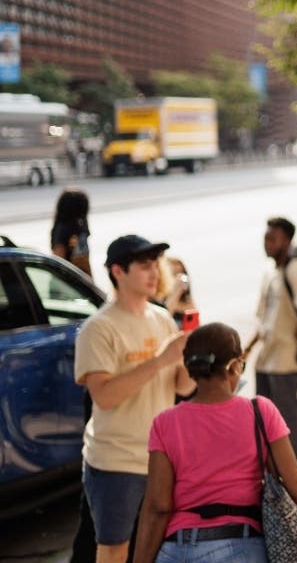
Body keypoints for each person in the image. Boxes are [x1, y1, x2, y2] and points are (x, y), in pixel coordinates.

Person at [133, 322, 297, 563]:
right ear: (233, 366)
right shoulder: (260, 412)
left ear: (190, 371)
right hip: (241, 546)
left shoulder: (164, 423)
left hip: (178, 549)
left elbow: (157, 507)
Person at [74, 235, 196, 563]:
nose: (154, 272)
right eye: (144, 265)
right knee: (114, 551)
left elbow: (182, 389)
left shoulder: (160, 318)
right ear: (118, 271)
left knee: (156, 549)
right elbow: (104, 395)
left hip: (160, 460)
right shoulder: (98, 329)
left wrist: (189, 354)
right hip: (116, 461)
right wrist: (160, 358)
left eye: (155, 264)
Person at [244, 217, 297, 476]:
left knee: (287, 419)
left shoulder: (295, 269)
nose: (267, 243)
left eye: (272, 238)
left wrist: (294, 341)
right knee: (264, 420)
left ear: (286, 241)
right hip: (267, 357)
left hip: (286, 358)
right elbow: (264, 319)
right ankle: (273, 473)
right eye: (266, 238)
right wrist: (248, 347)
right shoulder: (272, 273)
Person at [51, 187, 92, 277]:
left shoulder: (81, 225)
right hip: (68, 282)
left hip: (83, 279)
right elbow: (59, 261)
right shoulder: (62, 229)